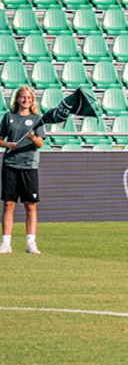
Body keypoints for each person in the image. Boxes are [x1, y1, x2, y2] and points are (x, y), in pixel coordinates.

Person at [2, 85, 46, 254]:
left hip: (29, 165)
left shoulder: (37, 119)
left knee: (30, 205)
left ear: (32, 100)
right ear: (17, 99)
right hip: (10, 165)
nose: (25, 100)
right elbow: (0, 139)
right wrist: (8, 144)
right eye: (22, 97)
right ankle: (6, 243)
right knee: (8, 204)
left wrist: (32, 137)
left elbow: (40, 143)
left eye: (28, 97)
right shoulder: (9, 117)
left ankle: (31, 243)